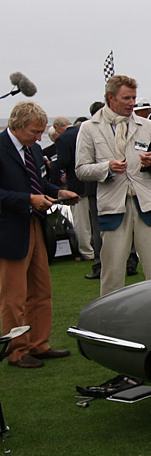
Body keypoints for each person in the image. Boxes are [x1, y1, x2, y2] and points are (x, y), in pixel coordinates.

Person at [1, 101, 79, 368]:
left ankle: (39, 344)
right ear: (17, 125)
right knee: (13, 297)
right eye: (35, 132)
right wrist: (28, 200)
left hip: (35, 224)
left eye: (41, 132)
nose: (39, 138)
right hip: (10, 230)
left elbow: (39, 181)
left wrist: (58, 192)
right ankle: (17, 351)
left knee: (41, 290)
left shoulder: (32, 149)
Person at [76, 75, 151, 296]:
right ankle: (110, 322)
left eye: (134, 98)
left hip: (149, 204)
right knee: (112, 274)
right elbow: (81, 170)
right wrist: (107, 168)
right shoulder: (90, 128)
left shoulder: (147, 125)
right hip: (113, 206)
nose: (132, 103)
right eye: (126, 98)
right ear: (111, 98)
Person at [52, 115, 93, 261]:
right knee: (95, 219)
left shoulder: (63, 139)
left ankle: (87, 252)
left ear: (57, 127)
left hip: (77, 184)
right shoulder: (85, 132)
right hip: (94, 182)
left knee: (81, 222)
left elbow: (63, 161)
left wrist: (54, 173)